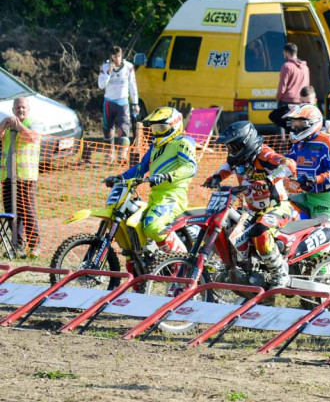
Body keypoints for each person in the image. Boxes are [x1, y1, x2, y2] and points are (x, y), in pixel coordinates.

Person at [204, 121, 296, 287]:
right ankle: (234, 267)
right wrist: (216, 177)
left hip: (277, 207)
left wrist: (269, 179)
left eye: (235, 146)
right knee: (228, 226)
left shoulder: (265, 155)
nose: (232, 151)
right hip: (252, 209)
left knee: (260, 232)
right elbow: (228, 166)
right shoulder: (238, 159)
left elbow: (290, 165)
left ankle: (279, 272)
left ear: (248, 142)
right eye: (229, 147)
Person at [103, 107, 196, 255]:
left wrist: (167, 176)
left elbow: (190, 167)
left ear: (175, 125)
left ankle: (182, 262)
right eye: (155, 128)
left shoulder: (183, 142)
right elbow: (142, 167)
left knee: (152, 227)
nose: (157, 132)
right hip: (155, 197)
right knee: (131, 226)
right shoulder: (155, 145)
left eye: (162, 127)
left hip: (173, 197)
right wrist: (121, 177)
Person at [284, 104, 330, 219]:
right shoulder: (299, 143)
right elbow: (286, 163)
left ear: (312, 123)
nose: (296, 128)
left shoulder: (326, 140)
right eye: (294, 124)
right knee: (280, 210)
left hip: (327, 200)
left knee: (320, 234)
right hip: (307, 197)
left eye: (300, 124)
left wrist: (316, 179)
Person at [0, 97, 41, 256]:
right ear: (13, 110)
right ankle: (17, 246)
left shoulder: (33, 123)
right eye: (17, 108)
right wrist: (4, 124)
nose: (20, 110)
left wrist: (20, 126)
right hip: (8, 176)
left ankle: (34, 246)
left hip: (26, 176)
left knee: (28, 211)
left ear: (28, 109)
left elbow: (34, 137)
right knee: (11, 212)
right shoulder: (9, 125)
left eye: (23, 107)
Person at [97, 45, 139, 163]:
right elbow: (101, 85)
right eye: (114, 57)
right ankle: (109, 155)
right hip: (109, 102)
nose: (117, 60)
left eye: (119, 57)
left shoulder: (128, 67)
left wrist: (135, 103)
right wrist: (108, 72)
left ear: (122, 56)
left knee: (124, 129)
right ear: (111, 57)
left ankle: (122, 155)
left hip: (123, 102)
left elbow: (133, 85)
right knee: (108, 130)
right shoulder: (105, 67)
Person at [270, 43, 309, 133]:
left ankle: (282, 145)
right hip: (300, 102)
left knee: (282, 125)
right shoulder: (305, 67)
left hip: (286, 102)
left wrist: (278, 98)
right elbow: (307, 86)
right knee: (296, 127)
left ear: (286, 53)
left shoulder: (287, 66)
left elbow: (282, 87)